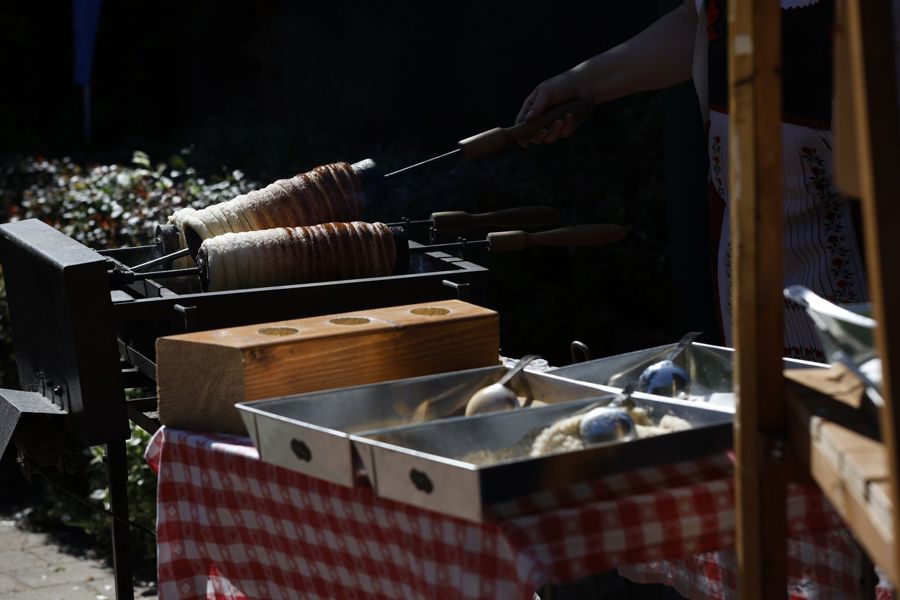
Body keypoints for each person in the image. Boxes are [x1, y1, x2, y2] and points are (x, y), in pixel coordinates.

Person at [516, 0, 869, 362]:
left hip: (864, 230)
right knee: (766, 382)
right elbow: (698, 20)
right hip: (748, 232)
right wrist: (583, 83)